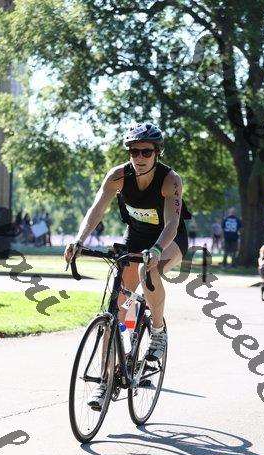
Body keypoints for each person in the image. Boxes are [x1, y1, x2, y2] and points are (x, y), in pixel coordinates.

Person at [64, 122, 190, 409]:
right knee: (115, 312)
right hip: (135, 237)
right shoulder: (118, 176)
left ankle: (157, 332)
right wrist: (79, 240)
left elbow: (172, 222)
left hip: (168, 239)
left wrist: (157, 249)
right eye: (134, 151)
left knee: (149, 270)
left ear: (157, 153)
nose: (139, 157)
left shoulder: (170, 180)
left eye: (146, 151)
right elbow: (96, 209)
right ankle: (105, 382)